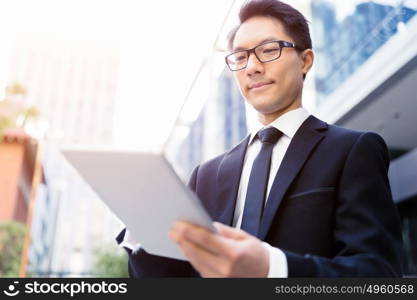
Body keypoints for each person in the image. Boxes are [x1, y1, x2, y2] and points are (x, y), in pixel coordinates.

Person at [116, 0, 404, 277]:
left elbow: (378, 275)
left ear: (305, 60)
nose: (252, 67)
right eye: (240, 57)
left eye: (268, 50)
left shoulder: (352, 150)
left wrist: (271, 269)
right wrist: (145, 227)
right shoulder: (206, 174)